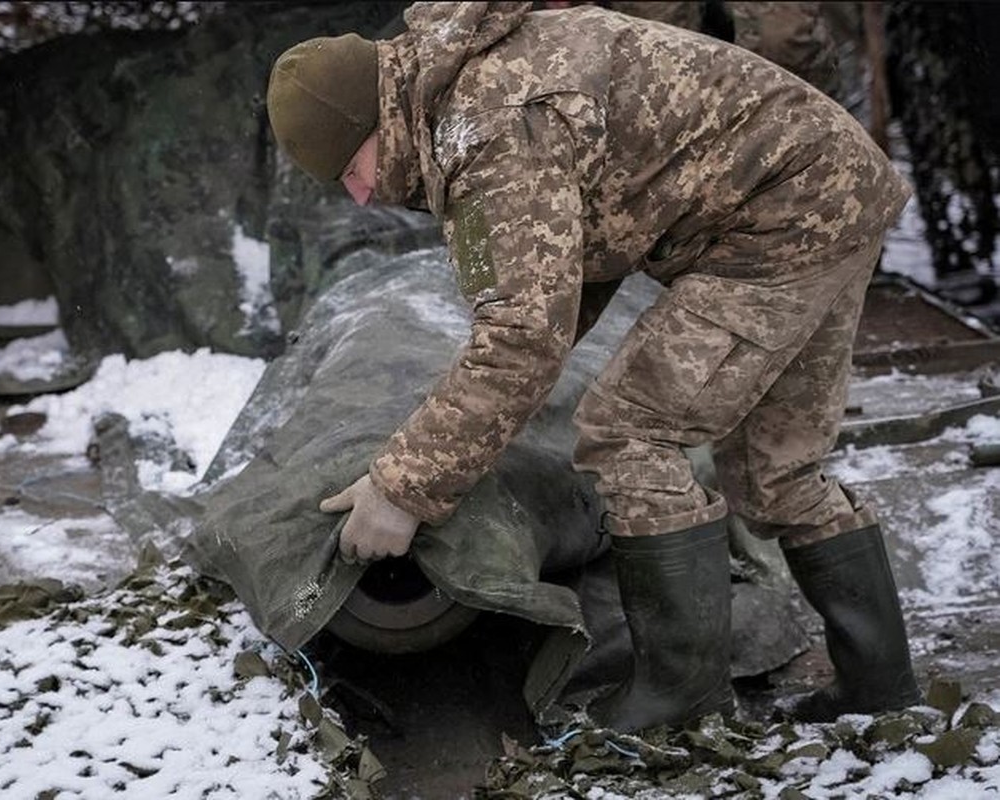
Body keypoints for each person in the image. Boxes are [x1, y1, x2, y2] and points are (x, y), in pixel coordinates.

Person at [266, 1, 920, 732]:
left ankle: (681, 696)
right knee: (775, 473)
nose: (359, 194)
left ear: (373, 123)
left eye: (348, 170)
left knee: (628, 430)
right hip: (830, 185)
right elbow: (568, 274)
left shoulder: (489, 125)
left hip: (776, 225)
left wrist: (403, 489)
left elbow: (521, 336)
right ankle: (878, 687)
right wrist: (450, 432)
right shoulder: (465, 81)